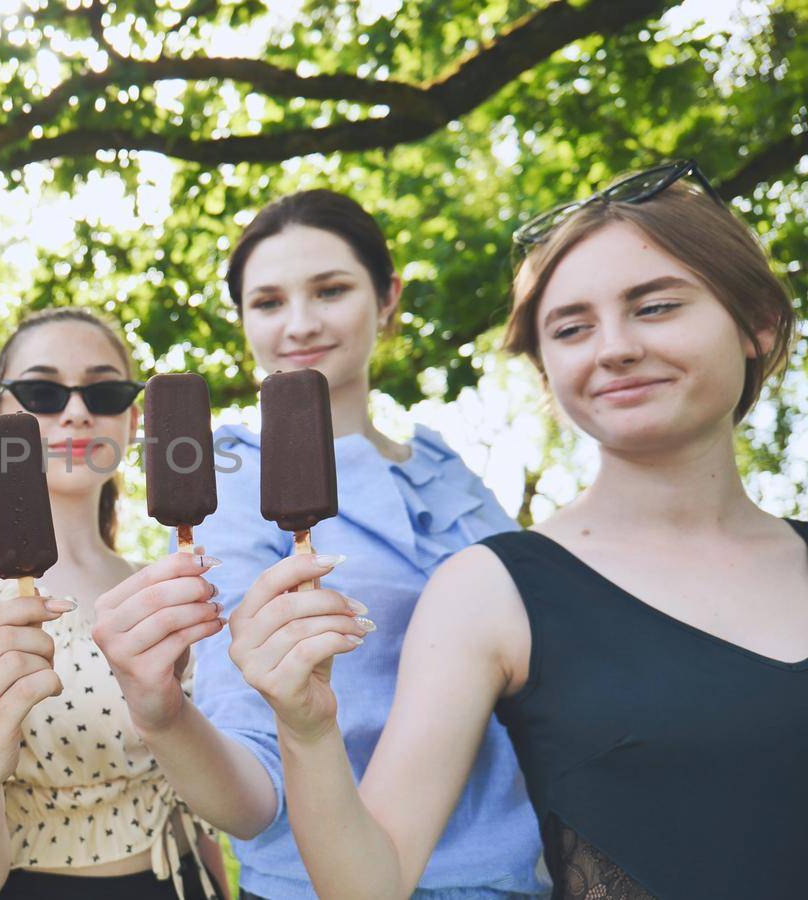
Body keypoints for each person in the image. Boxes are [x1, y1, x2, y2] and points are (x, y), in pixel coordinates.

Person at [246, 162, 806, 899]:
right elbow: (368, 884)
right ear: (548, 369)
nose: (613, 348)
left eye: (657, 306)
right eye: (571, 328)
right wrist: (308, 730)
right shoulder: (490, 590)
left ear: (758, 325)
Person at [94, 189, 548, 898]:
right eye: (268, 302)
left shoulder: (447, 470)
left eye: (330, 290)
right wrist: (163, 716)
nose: (299, 324)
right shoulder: (231, 483)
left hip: (518, 877)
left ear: (388, 296)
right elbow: (250, 798)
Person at [0, 307, 226, 900]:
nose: (77, 412)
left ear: (134, 422)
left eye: (106, 391)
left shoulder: (166, 587)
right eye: (41, 391)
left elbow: (192, 802)